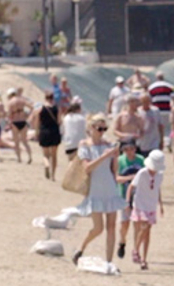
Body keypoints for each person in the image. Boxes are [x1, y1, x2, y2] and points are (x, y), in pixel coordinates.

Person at [71, 116, 121, 266]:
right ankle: (81, 248)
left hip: (109, 187)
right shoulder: (85, 145)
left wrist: (115, 157)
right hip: (95, 189)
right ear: (91, 128)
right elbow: (87, 168)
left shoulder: (109, 144)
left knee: (111, 227)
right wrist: (105, 155)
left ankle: (109, 262)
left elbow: (114, 170)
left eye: (104, 129)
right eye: (99, 128)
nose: (102, 132)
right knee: (98, 228)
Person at [127, 151, 164, 270]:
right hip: (140, 204)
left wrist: (161, 204)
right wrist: (127, 201)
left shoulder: (160, 175)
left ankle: (143, 258)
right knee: (143, 227)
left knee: (147, 232)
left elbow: (157, 189)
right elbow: (131, 186)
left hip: (151, 205)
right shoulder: (142, 173)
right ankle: (136, 250)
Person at [36, 90, 63, 180]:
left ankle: (47, 164)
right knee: (54, 155)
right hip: (54, 132)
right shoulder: (57, 108)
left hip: (44, 131)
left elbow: (37, 122)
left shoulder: (41, 109)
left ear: (45, 98)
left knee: (45, 154)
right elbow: (59, 121)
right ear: (53, 98)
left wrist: (37, 132)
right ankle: (53, 176)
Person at [6, 87, 33, 165]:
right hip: (23, 121)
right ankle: (29, 156)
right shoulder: (22, 100)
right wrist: (28, 115)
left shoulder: (10, 102)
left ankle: (19, 158)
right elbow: (32, 107)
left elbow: (9, 114)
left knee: (16, 142)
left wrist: (8, 122)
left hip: (15, 122)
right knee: (24, 141)